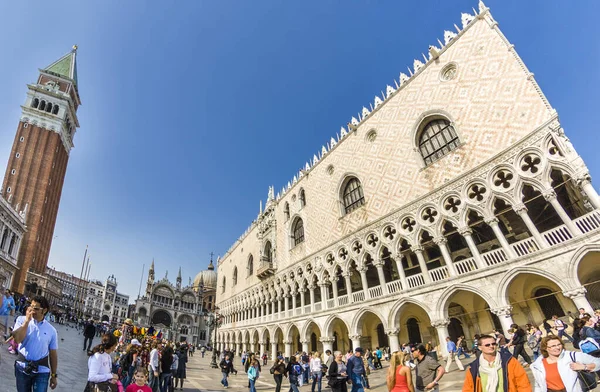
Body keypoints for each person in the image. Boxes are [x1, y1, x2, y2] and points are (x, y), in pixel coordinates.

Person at [12, 295, 58, 392]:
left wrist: (54, 375)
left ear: (44, 310)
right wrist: (26, 321)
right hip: (22, 366)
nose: (33, 310)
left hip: (41, 370)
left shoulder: (52, 330)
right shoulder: (21, 320)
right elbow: (17, 340)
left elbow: (53, 354)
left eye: (36, 308)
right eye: (31, 307)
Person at [462, 334, 531, 392]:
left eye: (493, 344)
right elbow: (468, 388)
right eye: (487, 345)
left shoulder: (509, 361)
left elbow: (523, 382)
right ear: (480, 347)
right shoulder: (474, 367)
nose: (491, 346)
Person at [531, 335, 600, 392]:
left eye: (559, 344)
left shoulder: (572, 356)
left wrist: (585, 367)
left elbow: (598, 361)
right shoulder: (538, 365)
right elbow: (538, 385)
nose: (557, 348)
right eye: (553, 346)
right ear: (545, 348)